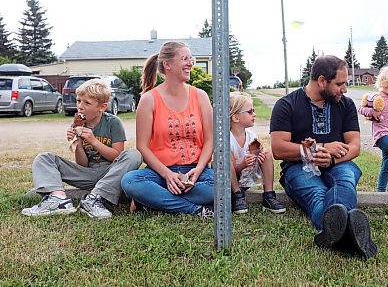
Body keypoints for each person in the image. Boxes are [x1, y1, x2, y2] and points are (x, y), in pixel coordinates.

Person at [270, 55, 377, 259]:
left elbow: (354, 146)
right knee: (317, 195)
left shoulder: (345, 105)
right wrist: (321, 148)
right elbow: (278, 149)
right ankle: (352, 234)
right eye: (340, 84)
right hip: (298, 167)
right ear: (321, 80)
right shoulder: (287, 105)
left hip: (338, 164)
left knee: (344, 181)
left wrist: (332, 159)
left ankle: (334, 233)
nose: (344, 89)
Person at [22, 79, 143, 219]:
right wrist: (78, 144)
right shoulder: (79, 125)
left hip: (110, 173)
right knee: (43, 158)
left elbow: (116, 156)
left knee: (134, 155)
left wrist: (94, 141)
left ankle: (93, 199)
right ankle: (58, 199)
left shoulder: (113, 123)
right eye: (78, 101)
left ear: (102, 107)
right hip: (87, 173)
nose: (80, 106)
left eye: (87, 103)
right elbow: (82, 164)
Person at [120, 42, 215, 218]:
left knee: (219, 186)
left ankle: (154, 200)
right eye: (184, 59)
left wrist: (198, 171)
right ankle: (195, 210)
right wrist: (169, 175)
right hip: (160, 172)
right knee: (130, 181)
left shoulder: (200, 96)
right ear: (168, 64)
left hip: (196, 171)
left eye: (190, 59)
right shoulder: (149, 100)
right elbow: (142, 146)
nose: (190, 64)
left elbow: (210, 140)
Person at [229, 92, 286, 214]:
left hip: (247, 177)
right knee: (225, 161)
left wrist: (258, 158)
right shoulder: (227, 139)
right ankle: (237, 196)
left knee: (267, 154)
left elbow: (256, 159)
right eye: (250, 111)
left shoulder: (251, 136)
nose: (254, 114)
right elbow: (232, 170)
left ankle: (269, 196)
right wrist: (243, 164)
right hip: (231, 181)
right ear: (235, 117)